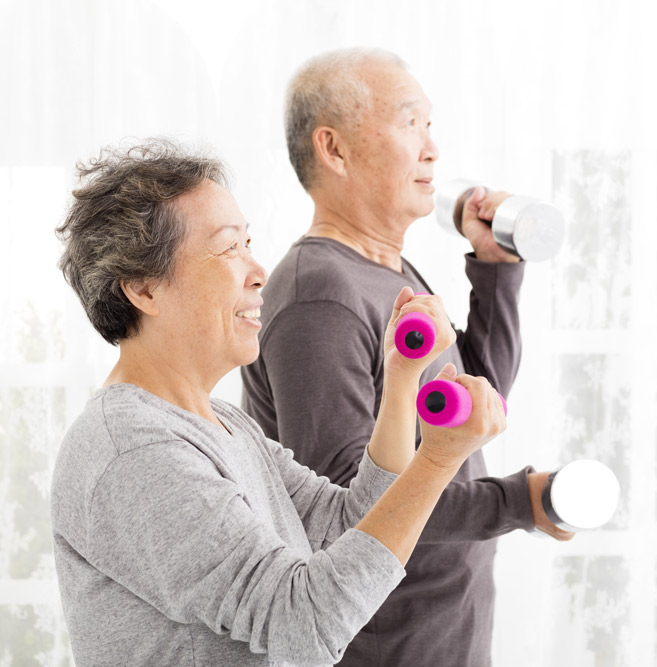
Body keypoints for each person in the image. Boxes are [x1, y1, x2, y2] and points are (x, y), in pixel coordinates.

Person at [50, 139, 509, 667]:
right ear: (144, 289)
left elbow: (348, 523)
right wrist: (439, 459)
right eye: (228, 249)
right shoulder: (133, 451)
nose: (259, 270)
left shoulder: (222, 424)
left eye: (249, 243)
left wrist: (401, 380)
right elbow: (304, 624)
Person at [240, 48, 573, 667]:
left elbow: (477, 402)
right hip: (381, 646)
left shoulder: (387, 273)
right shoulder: (319, 292)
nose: (432, 149)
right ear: (334, 150)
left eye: (430, 125)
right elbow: (347, 506)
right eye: (409, 122)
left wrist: (496, 271)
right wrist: (517, 503)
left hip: (447, 631)